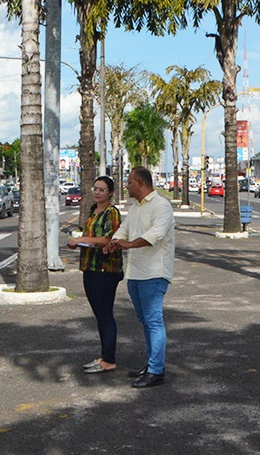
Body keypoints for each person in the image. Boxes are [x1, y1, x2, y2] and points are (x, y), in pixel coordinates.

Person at [103, 165, 175, 389]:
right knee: (145, 322)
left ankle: (156, 371)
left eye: (130, 181)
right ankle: (152, 363)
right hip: (136, 273)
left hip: (154, 272)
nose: (127, 185)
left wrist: (129, 244)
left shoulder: (161, 205)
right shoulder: (135, 207)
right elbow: (124, 229)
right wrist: (115, 242)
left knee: (154, 322)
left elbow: (156, 234)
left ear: (140, 183)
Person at [67, 175, 124, 374]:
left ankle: (109, 359)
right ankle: (105, 356)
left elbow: (109, 238)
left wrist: (84, 238)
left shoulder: (112, 213)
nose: (97, 192)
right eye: (95, 189)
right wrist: (78, 242)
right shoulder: (94, 211)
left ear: (110, 193)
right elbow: (91, 238)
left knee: (105, 314)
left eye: (101, 189)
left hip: (106, 269)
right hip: (90, 267)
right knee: (100, 315)